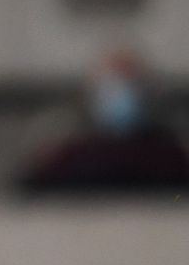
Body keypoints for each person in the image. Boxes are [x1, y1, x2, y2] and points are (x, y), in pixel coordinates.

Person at [19, 48, 189, 194]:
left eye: (129, 83)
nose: (121, 95)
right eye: (112, 85)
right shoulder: (68, 157)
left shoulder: (168, 156)